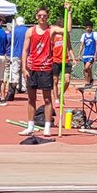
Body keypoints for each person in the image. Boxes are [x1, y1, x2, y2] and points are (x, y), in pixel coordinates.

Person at [22, 7, 59, 136]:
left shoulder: (51, 30)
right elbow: (25, 50)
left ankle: (47, 127)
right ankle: (30, 126)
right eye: (39, 15)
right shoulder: (30, 31)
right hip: (32, 68)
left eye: (44, 15)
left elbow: (68, 30)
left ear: (47, 17)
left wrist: (69, 12)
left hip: (46, 68)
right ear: (36, 17)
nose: (42, 17)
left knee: (47, 99)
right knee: (31, 99)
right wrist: (23, 67)